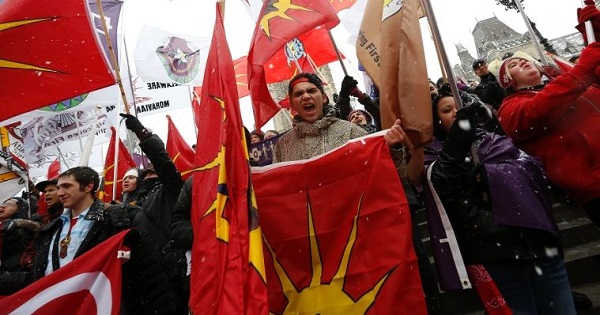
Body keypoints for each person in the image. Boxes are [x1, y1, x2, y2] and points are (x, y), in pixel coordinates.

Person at [427, 92, 576, 314]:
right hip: (497, 253)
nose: (457, 112)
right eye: (447, 110)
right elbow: (443, 188)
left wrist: (490, 169)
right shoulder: (436, 155)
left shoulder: (497, 141)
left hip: (539, 243)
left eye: (460, 106)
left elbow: (533, 172)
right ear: (438, 122)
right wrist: (459, 141)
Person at [496, 30, 600, 228]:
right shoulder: (511, 107)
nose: (524, 62)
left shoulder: (565, 84)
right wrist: (582, 68)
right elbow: (540, 109)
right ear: (508, 80)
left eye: (526, 60)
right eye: (514, 65)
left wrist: (595, 32)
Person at [0, 166, 133, 295]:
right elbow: (39, 276)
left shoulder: (114, 219)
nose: (60, 193)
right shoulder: (49, 228)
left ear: (88, 186)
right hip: (54, 302)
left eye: (67, 186)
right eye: (58, 188)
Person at [119, 113, 188, 315]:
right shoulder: (128, 202)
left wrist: (143, 134)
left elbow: (163, 164)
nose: (150, 176)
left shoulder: (169, 192)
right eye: (146, 175)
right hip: (142, 276)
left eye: (154, 174)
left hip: (169, 271)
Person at [273, 73, 370, 163]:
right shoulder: (283, 146)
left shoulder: (351, 132)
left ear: (324, 98)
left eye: (311, 91)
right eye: (298, 94)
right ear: (292, 105)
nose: (306, 96)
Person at [0, 197, 39, 272]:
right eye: (2, 204)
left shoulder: (23, 231)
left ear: (20, 209)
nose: (2, 206)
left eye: (9, 204)